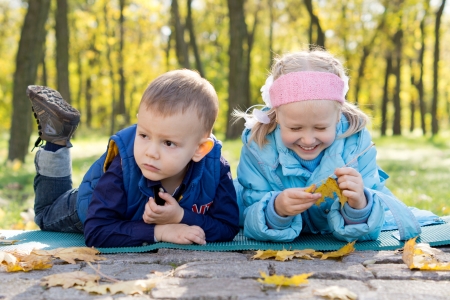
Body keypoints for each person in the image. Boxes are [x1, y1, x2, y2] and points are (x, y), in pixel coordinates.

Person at [234, 49, 441, 243]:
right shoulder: (259, 147)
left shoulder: (356, 145)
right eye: (296, 128)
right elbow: (249, 213)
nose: (308, 140)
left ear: (338, 115)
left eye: (321, 127)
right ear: (277, 115)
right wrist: (275, 210)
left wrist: (359, 205)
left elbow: (371, 226)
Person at [30, 69, 240, 247]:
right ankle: (56, 140)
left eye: (168, 143)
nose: (150, 152)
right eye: (144, 135)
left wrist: (180, 217)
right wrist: (159, 232)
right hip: (94, 201)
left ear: (200, 149)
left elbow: (228, 227)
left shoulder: (215, 168)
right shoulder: (125, 164)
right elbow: (96, 231)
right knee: (45, 214)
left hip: (123, 210)